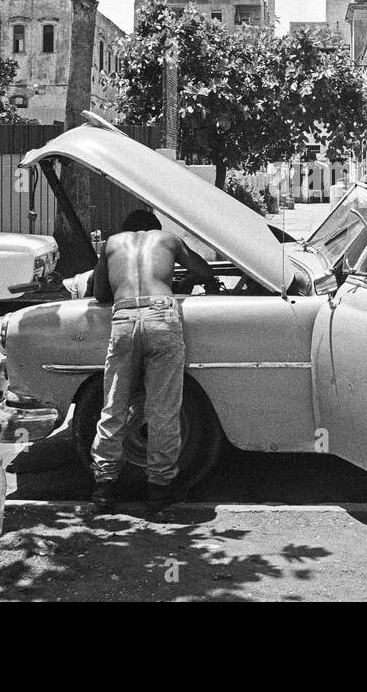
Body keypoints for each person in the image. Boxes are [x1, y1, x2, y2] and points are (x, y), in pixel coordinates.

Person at [90, 209, 220, 516]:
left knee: (113, 405)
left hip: (123, 318)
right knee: (163, 409)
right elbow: (205, 272)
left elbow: (100, 292)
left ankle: (104, 488)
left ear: (127, 229)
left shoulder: (111, 244)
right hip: (161, 316)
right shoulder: (168, 239)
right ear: (153, 229)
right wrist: (182, 278)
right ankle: (159, 491)